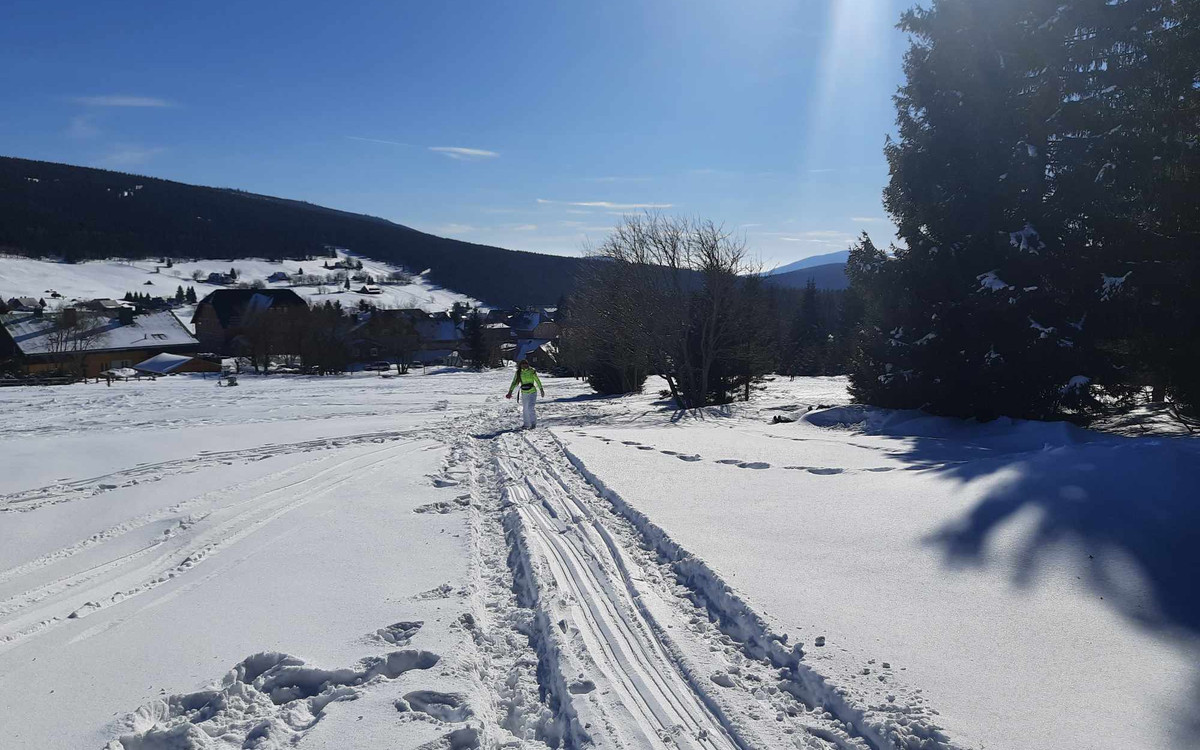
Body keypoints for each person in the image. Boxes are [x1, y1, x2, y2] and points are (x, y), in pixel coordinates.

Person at [506, 359, 545, 429]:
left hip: (532, 392)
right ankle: (526, 424)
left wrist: (541, 389)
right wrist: (510, 392)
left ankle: (533, 423)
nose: (524, 365)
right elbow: (514, 382)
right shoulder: (518, 373)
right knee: (525, 409)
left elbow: (537, 380)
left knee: (530, 407)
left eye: (526, 364)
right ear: (520, 365)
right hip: (524, 393)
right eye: (523, 364)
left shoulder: (532, 371)